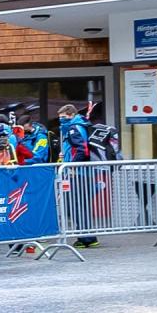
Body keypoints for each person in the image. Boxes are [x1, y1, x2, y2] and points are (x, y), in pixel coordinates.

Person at [59, 104, 99, 248]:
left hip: (77, 173)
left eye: (63, 117)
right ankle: (89, 237)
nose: (61, 120)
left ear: (70, 115)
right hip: (85, 173)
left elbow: (82, 150)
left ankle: (85, 238)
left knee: (76, 206)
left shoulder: (73, 128)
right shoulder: (82, 125)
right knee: (83, 206)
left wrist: (72, 165)